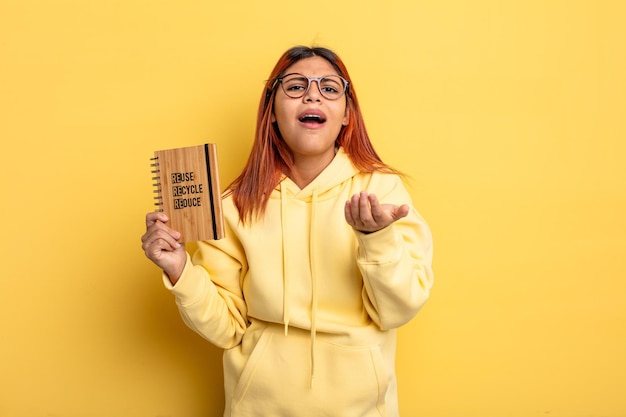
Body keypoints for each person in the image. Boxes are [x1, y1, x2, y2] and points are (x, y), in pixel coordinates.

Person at [141, 45, 434, 417]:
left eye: (329, 88)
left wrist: (377, 240)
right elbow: (227, 328)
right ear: (272, 111)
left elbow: (398, 310)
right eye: (295, 86)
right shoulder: (234, 204)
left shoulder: (381, 191)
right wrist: (180, 270)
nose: (313, 94)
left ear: (346, 114)